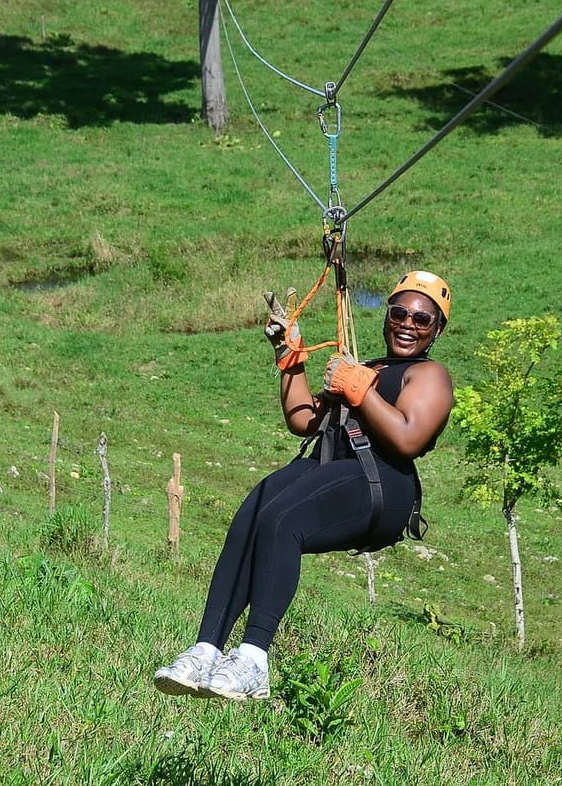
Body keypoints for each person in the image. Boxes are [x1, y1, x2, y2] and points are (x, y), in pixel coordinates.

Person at [153, 270, 454, 701]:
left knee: (282, 518)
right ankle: (206, 649)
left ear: (437, 329)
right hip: (333, 469)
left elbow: (408, 438)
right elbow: (304, 420)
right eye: (398, 313)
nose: (408, 324)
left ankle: (254, 658)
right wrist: (290, 355)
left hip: (382, 483)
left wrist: (360, 390)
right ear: (387, 316)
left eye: (422, 319)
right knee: (255, 509)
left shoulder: (430, 376)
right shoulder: (364, 366)